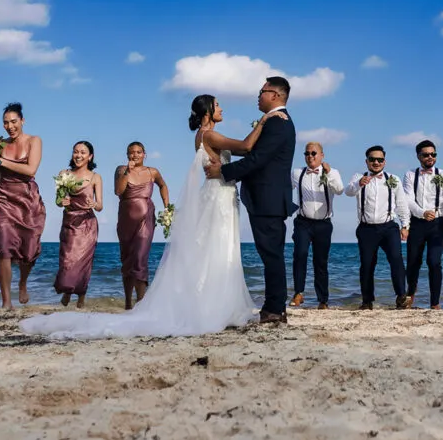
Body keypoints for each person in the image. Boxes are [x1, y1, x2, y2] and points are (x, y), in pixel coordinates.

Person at [20, 95, 273, 338]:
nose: (222, 109)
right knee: (217, 248)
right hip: (217, 197)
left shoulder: (202, 137)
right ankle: (213, 305)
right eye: (218, 105)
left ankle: (215, 302)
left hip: (218, 196)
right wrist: (263, 122)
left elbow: (240, 153)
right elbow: (246, 146)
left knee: (214, 248)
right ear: (207, 111)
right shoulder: (210, 134)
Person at [205, 76, 297, 325]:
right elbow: (250, 151)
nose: (258, 95)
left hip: (268, 199)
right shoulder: (274, 122)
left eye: (262, 91)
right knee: (271, 254)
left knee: (271, 255)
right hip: (266, 199)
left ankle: (275, 310)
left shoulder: (279, 124)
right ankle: (274, 307)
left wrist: (222, 172)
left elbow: (257, 160)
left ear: (275, 95)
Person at [0, 102, 46, 310]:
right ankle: (6, 302)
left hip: (27, 199)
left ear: (22, 121)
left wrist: (0, 162)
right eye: (6, 123)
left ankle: (23, 282)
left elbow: (30, 170)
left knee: (29, 250)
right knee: (3, 249)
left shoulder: (34, 141)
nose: (10, 126)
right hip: (3, 199)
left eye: (14, 121)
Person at [345, 146, 410, 310]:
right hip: (366, 228)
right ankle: (367, 301)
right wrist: (359, 184)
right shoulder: (358, 177)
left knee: (396, 259)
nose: (376, 162)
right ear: (366, 161)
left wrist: (405, 225)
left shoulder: (393, 179)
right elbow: (348, 192)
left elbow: (401, 204)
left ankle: (401, 296)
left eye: (379, 159)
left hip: (389, 227)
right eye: (372, 159)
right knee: (367, 264)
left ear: (384, 162)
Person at [402, 140, 443, 309]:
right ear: (418, 156)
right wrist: (421, 213)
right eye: (426, 154)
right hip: (417, 223)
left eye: (433, 154)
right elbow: (407, 199)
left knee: (434, 262)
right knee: (413, 261)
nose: (430, 157)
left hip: (438, 224)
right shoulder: (410, 175)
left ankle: (434, 303)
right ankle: (410, 295)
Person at [114, 142, 170, 309]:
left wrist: (166, 206)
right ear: (127, 155)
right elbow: (119, 191)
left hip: (146, 219)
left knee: (140, 258)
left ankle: (141, 304)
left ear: (145, 154)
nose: (135, 155)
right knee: (127, 260)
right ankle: (128, 302)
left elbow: (163, 185)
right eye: (132, 152)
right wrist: (127, 171)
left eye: (139, 152)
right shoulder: (120, 169)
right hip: (125, 220)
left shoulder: (152, 172)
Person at [289, 141, 344, 310]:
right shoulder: (297, 173)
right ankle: (299, 292)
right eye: (307, 154)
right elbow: (284, 189)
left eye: (313, 153)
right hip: (303, 222)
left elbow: (340, 190)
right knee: (300, 254)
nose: (310, 157)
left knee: (321, 262)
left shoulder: (332, 172)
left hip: (323, 224)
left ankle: (323, 300)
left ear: (322, 156)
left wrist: (328, 173)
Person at [54, 141, 103, 308]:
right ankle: (67, 291)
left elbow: (100, 206)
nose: (79, 155)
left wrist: (93, 204)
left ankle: (81, 294)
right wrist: (62, 201)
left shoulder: (95, 177)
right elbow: (58, 201)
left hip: (88, 223)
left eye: (83, 152)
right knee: (68, 260)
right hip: (69, 222)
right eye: (76, 152)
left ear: (90, 156)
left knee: (83, 261)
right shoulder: (64, 174)